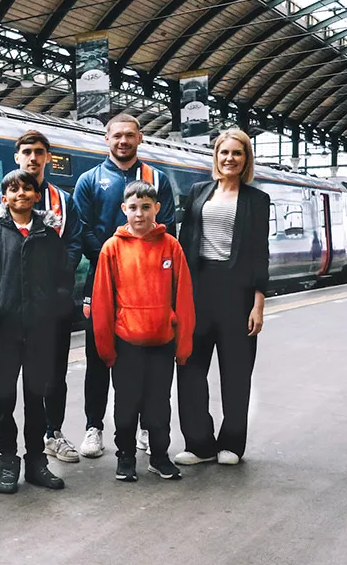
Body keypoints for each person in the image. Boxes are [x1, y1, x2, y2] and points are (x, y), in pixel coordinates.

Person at [73, 113, 176, 459]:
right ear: (106, 138)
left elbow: (169, 228)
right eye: (117, 135)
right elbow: (81, 228)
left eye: (129, 135)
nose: (123, 141)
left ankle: (145, 426)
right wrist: (110, 260)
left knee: (144, 358)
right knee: (98, 356)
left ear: (140, 137)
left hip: (148, 286)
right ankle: (93, 426)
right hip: (101, 281)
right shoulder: (89, 180)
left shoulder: (157, 178)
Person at [0, 170, 74, 493]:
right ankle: (8, 460)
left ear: (37, 196)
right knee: (3, 397)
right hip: (5, 332)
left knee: (36, 398)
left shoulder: (49, 238)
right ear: (4, 197)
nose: (21, 194)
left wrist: (53, 306)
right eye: (13, 189)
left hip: (41, 333)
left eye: (28, 188)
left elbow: (64, 281)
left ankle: (37, 461)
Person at [0, 130, 82, 466]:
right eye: (26, 151)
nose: (33, 157)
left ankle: (53, 434)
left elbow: (74, 243)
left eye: (40, 152)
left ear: (47, 157)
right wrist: (0, 298)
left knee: (54, 375)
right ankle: (3, 440)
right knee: (7, 383)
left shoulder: (63, 201)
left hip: (50, 311)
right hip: (11, 314)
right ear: (16, 156)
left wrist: (56, 293)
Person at [175, 128, 269, 467]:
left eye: (237, 153)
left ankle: (232, 443)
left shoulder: (257, 200)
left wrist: (258, 304)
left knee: (236, 371)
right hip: (198, 290)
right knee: (189, 368)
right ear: (215, 157)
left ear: (246, 160)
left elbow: (260, 253)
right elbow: (184, 244)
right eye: (224, 152)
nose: (229, 158)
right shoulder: (198, 192)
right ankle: (199, 443)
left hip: (238, 293)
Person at [91, 181, 195, 482]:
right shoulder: (112, 248)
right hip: (126, 344)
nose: (140, 214)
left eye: (146, 207)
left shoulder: (170, 246)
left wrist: (183, 345)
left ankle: (159, 456)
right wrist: (106, 348)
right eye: (133, 208)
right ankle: (125, 456)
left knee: (159, 405)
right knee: (125, 404)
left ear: (157, 209)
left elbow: (184, 297)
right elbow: (102, 301)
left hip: (162, 342)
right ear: (124, 209)